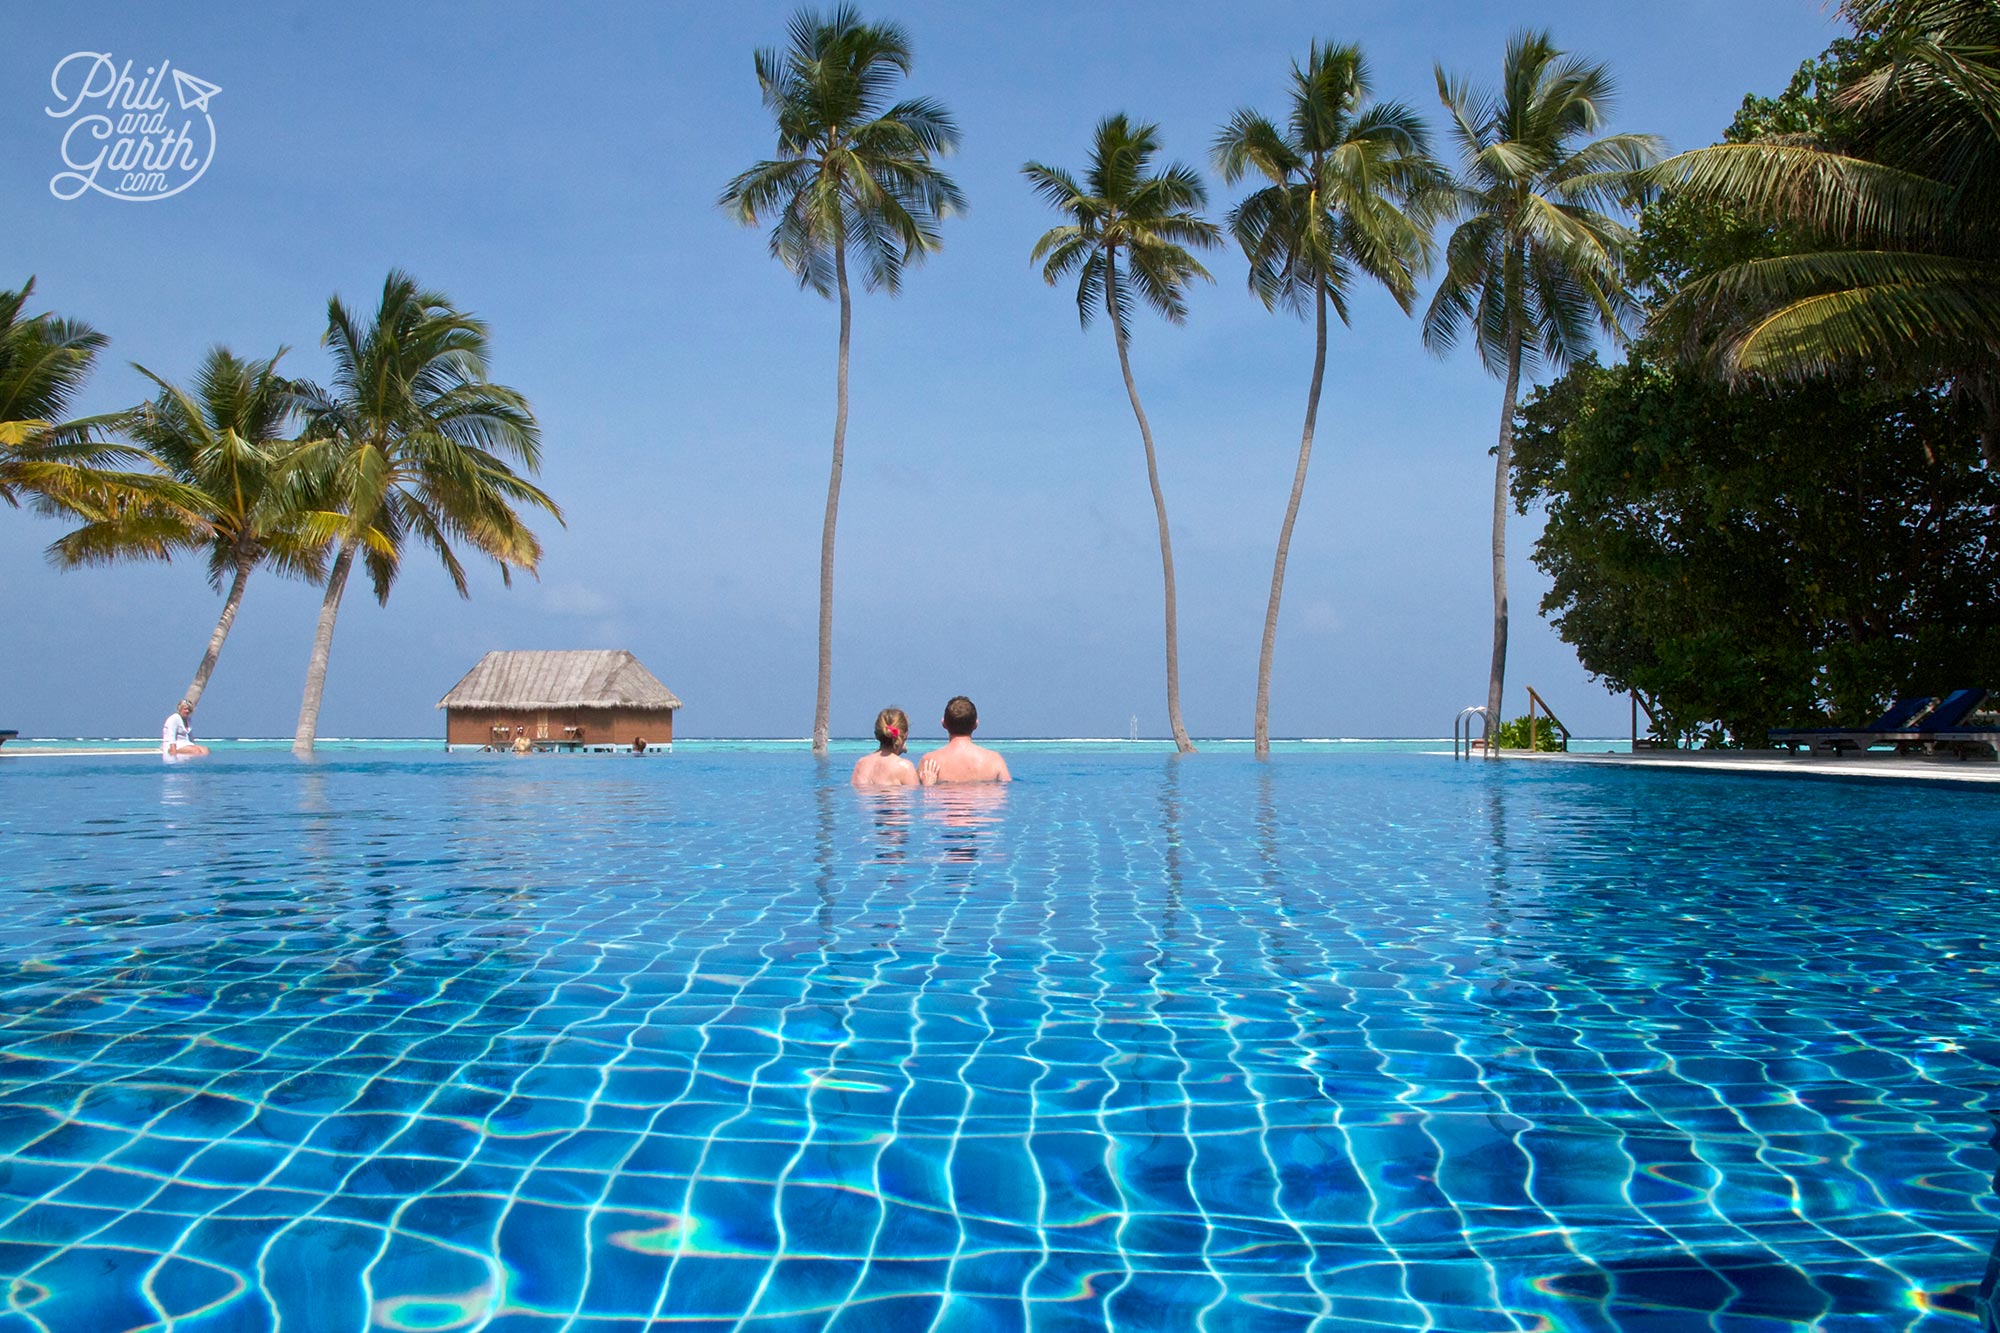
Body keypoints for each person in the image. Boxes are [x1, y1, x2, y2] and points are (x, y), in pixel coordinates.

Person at [918, 696, 1010, 785]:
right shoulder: (994, 760)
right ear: (975, 724)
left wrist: (928, 788)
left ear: (943, 723)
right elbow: (1004, 792)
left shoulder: (929, 761)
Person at [851, 707, 918, 787]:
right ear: (905, 734)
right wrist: (928, 785)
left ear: (877, 734)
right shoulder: (905, 768)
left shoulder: (861, 764)